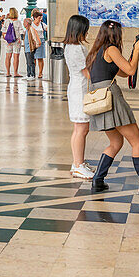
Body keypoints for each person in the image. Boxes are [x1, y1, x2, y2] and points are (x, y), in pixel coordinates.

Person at [85, 20, 139, 196]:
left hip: (100, 99)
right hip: (111, 98)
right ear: (116, 34)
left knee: (115, 142)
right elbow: (130, 71)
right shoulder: (111, 49)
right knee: (136, 141)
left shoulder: (97, 51)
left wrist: (134, 54)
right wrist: (136, 50)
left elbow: (121, 71)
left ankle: (98, 180)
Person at [62, 15, 95, 179]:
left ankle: (78, 162)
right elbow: (86, 73)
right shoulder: (76, 48)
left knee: (80, 128)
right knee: (81, 129)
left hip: (77, 88)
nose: (87, 33)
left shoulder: (71, 46)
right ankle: (78, 165)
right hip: (79, 89)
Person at [2, 8, 22, 77]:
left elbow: (3, 31)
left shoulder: (6, 21)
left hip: (8, 41)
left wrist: (6, 39)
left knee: (8, 56)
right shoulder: (18, 21)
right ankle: (15, 73)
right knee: (16, 57)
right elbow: (21, 32)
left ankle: (8, 72)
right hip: (17, 41)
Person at [30, 9, 48, 79]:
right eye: (39, 18)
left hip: (41, 41)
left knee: (40, 58)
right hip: (33, 42)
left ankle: (40, 73)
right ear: (35, 18)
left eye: (41, 18)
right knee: (33, 58)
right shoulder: (31, 24)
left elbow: (47, 29)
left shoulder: (42, 24)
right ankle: (33, 72)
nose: (40, 19)